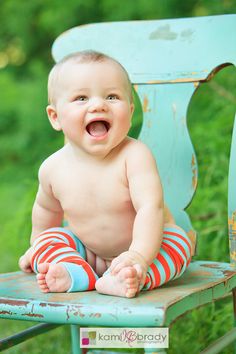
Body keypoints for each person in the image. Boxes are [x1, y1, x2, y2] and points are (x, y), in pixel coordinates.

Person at [19, 50, 191, 298]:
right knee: (49, 239)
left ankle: (130, 278)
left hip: (147, 249)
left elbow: (149, 208)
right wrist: (37, 248)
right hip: (88, 253)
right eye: (81, 98)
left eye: (112, 96)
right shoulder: (52, 168)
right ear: (55, 117)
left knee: (178, 242)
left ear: (130, 113)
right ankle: (74, 274)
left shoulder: (135, 156)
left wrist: (138, 255)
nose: (98, 105)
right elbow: (47, 213)